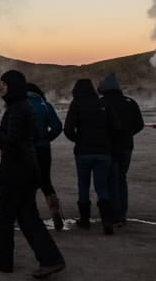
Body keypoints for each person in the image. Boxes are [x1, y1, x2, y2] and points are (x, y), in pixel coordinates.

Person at [0, 70, 65, 278]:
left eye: (4, 85)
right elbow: (37, 135)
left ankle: (2, 262)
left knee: (3, 216)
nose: (2, 88)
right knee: (28, 217)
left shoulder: (16, 109)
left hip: (14, 170)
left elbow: (12, 142)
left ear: (12, 86)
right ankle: (51, 259)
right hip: (28, 169)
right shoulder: (27, 106)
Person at [63, 78, 114, 235]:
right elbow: (115, 127)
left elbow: (68, 129)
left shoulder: (76, 104)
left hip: (83, 152)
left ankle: (85, 221)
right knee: (102, 186)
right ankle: (107, 221)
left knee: (83, 185)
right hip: (103, 151)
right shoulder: (103, 103)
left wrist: (78, 139)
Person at [97, 73, 144, 226]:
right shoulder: (130, 102)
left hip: (108, 147)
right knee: (121, 178)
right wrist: (128, 134)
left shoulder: (102, 103)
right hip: (126, 147)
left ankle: (114, 214)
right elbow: (139, 124)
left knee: (111, 179)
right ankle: (122, 213)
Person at [27, 82, 64, 231]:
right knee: (45, 181)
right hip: (43, 149)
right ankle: (54, 211)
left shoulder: (21, 104)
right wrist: (46, 138)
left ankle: (30, 216)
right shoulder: (45, 105)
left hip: (27, 149)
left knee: (27, 183)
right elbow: (57, 127)